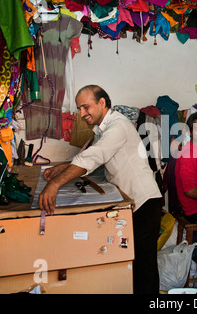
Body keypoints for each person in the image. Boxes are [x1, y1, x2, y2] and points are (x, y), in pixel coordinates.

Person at [38, 85, 162, 294]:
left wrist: (55, 183)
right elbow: (90, 157)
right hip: (131, 200)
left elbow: (94, 156)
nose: (82, 114)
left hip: (144, 201)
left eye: (86, 107)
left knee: (144, 266)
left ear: (102, 103)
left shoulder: (118, 127)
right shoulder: (102, 129)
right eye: (79, 109)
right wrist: (62, 168)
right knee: (133, 263)